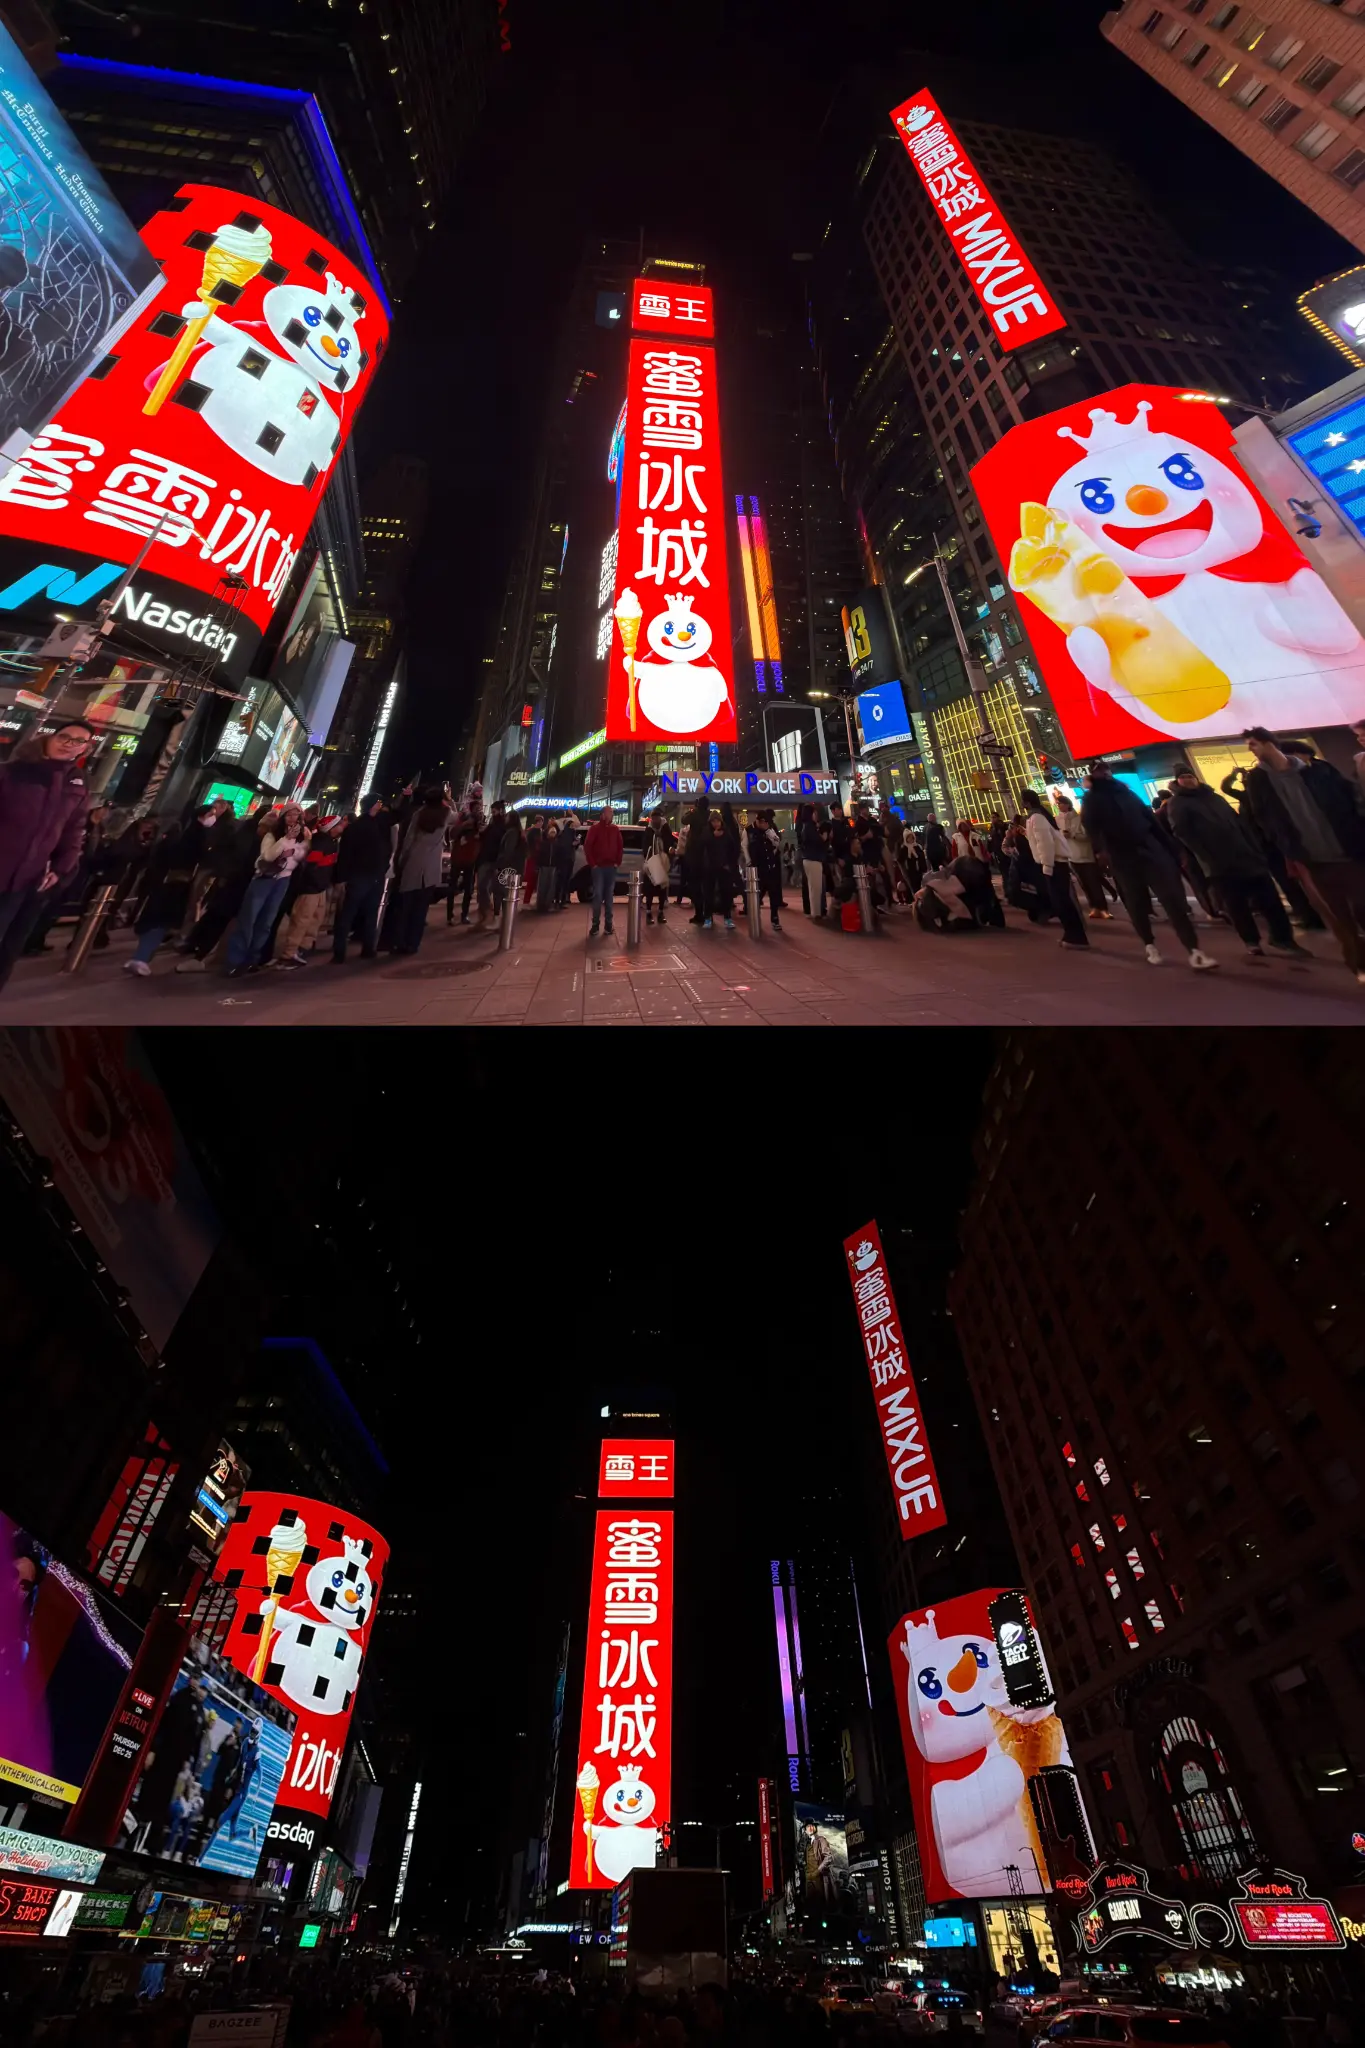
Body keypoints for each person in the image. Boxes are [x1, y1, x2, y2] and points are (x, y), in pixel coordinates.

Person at [1241, 726, 1365, 981]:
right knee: (1338, 916)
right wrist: (1284, 844)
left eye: (1253, 744)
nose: (1250, 749)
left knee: (1362, 905)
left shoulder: (1318, 770)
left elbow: (1350, 799)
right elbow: (1261, 816)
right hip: (1309, 859)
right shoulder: (1258, 780)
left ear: (1268, 743)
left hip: (1346, 849)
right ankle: (1359, 965)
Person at [1166, 763, 1310, 964]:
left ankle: (1282, 938)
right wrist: (1207, 857)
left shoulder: (1214, 798)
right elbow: (1183, 833)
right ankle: (1251, 941)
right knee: (1237, 905)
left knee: (1271, 900)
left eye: (1190, 776)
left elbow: (1238, 823)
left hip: (1246, 855)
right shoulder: (1177, 804)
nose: (1188, 780)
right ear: (1177, 781)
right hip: (1219, 862)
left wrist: (1253, 848)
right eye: (1183, 777)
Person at [1081, 760, 1218, 970]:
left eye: (1106, 769)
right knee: (1136, 902)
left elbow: (1150, 821)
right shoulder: (1091, 800)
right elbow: (1092, 828)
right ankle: (1149, 944)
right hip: (1122, 855)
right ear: (1093, 775)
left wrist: (1172, 849)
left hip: (1149, 848)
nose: (1105, 773)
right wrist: (1102, 851)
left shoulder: (1125, 792)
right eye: (1099, 771)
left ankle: (1194, 951)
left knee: (1171, 899)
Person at [0, 720, 93, 990]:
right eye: (65, 736)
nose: (69, 744)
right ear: (49, 738)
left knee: (8, 949)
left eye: (79, 741)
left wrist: (62, 868)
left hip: (31, 881)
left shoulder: (76, 782)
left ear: (85, 749)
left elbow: (74, 829)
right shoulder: (14, 772)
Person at [123, 811, 215, 976]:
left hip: (161, 883)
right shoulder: (195, 836)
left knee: (154, 920)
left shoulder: (176, 835)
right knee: (160, 922)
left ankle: (141, 957)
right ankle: (141, 958)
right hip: (174, 886)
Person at [225, 803, 310, 974]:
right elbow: (268, 856)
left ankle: (252, 959)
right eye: (289, 815)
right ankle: (234, 961)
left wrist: (304, 842)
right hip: (264, 879)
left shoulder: (302, 837)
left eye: (297, 816)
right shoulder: (272, 835)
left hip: (283, 881)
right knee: (248, 919)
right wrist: (285, 839)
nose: (294, 819)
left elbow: (300, 858)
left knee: (266, 922)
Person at [1021, 789, 1089, 949]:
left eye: (1023, 800)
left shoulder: (1036, 817)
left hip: (1054, 863)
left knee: (1062, 901)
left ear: (1027, 802)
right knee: (1061, 900)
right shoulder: (1039, 815)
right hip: (1055, 862)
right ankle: (1072, 935)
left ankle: (1076, 937)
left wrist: (1047, 866)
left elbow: (1045, 843)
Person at [273, 813, 342, 966]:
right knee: (301, 920)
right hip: (311, 889)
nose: (341, 827)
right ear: (331, 828)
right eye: (338, 824)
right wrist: (316, 883)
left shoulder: (330, 842)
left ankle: (302, 948)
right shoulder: (321, 843)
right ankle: (288, 955)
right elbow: (310, 867)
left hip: (320, 887)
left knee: (314, 920)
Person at [331, 795, 393, 964]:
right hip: (366, 876)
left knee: (354, 913)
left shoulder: (360, 826)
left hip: (364, 876)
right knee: (363, 913)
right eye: (378, 803)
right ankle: (363, 949)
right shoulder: (369, 827)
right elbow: (346, 854)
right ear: (372, 806)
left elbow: (345, 855)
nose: (381, 806)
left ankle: (343, 952)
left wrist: (342, 877)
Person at [391, 788, 449, 954]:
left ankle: (400, 942)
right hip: (430, 870)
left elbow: (409, 840)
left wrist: (401, 861)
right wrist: (449, 801)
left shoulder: (419, 815)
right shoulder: (445, 815)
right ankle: (413, 944)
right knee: (420, 910)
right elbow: (457, 814)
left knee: (405, 908)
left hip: (413, 864)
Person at [1054, 793, 1111, 917]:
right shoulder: (1057, 820)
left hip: (1085, 854)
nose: (1058, 806)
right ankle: (1094, 907)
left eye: (1060, 803)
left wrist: (1073, 835)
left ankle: (1103, 908)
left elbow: (1087, 836)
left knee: (1094, 883)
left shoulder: (1078, 818)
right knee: (1084, 884)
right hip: (1071, 856)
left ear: (1068, 804)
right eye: (1057, 804)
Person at [584, 804, 623, 937]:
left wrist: (617, 862)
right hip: (599, 868)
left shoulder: (615, 829)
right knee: (598, 896)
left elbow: (620, 846)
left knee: (609, 897)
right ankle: (595, 925)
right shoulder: (594, 829)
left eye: (612, 812)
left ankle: (608, 925)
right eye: (610, 812)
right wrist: (593, 864)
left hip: (611, 867)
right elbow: (587, 847)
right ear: (603, 814)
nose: (612, 814)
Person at [446, 796, 483, 924]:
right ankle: (450, 915)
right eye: (477, 809)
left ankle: (464, 915)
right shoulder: (463, 820)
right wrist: (463, 826)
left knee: (468, 889)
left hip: (470, 860)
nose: (479, 811)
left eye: (480, 809)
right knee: (452, 887)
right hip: (458, 858)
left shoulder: (479, 825)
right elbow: (452, 834)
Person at [745, 808, 784, 929]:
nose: (765, 825)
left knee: (773, 893)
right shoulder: (749, 830)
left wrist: (770, 834)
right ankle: (755, 916)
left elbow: (777, 843)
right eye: (763, 822)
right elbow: (744, 846)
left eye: (767, 823)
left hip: (770, 866)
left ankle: (775, 918)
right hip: (757, 867)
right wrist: (749, 862)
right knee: (758, 894)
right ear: (758, 821)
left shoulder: (769, 830)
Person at [701, 808, 739, 929]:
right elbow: (702, 844)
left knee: (726, 893)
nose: (716, 824)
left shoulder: (726, 832)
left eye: (717, 821)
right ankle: (708, 917)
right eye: (713, 821)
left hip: (724, 867)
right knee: (708, 893)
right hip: (709, 868)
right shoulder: (707, 832)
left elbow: (733, 848)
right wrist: (713, 836)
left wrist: (729, 864)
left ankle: (727, 918)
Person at [472, 799, 506, 930]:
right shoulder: (492, 825)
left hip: (493, 861)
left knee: (492, 889)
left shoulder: (502, 826)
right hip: (485, 859)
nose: (493, 813)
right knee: (482, 888)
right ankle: (485, 914)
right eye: (492, 811)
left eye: (495, 811)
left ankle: (492, 915)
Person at [642, 809, 675, 925]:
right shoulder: (649, 829)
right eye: (653, 818)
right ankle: (649, 912)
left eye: (657, 818)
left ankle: (660, 912)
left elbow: (670, 843)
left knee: (662, 887)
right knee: (649, 888)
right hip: (652, 862)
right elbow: (645, 846)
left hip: (662, 861)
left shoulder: (665, 828)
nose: (655, 820)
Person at [798, 803, 827, 918]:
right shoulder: (810, 827)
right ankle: (816, 913)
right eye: (814, 813)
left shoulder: (807, 826)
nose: (816, 815)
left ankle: (814, 912)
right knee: (816, 888)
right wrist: (823, 837)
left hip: (809, 859)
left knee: (813, 888)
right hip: (813, 859)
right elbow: (818, 842)